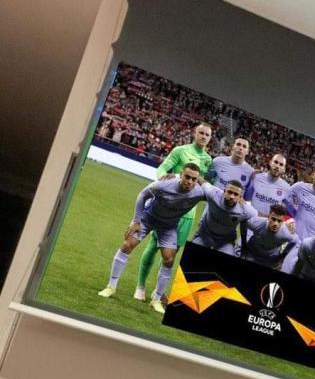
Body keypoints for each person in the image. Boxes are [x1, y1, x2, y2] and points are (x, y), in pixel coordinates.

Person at [98, 163, 205, 314]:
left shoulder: (199, 192)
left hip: (168, 226)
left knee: (169, 259)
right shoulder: (164, 184)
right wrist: (136, 221)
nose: (190, 181)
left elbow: (219, 196)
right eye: (187, 177)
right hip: (148, 218)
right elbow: (142, 195)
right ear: (181, 174)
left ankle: (156, 300)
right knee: (127, 245)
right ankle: (111, 287)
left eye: (194, 179)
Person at [133, 122, 213, 301]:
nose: (203, 137)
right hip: (168, 209)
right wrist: (166, 179)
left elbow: (207, 184)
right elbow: (162, 168)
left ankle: (158, 292)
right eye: (201, 133)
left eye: (207, 135)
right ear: (195, 133)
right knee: (153, 246)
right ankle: (140, 286)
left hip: (188, 214)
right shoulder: (180, 150)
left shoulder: (209, 160)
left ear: (210, 138)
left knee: (170, 256)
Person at [192, 179, 257, 254]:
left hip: (225, 241)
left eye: (236, 194)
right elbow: (201, 181)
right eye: (229, 192)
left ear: (240, 197)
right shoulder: (213, 194)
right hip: (204, 235)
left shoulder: (245, 209)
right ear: (224, 191)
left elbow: (260, 220)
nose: (232, 196)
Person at [243, 204, 298, 269]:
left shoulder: (286, 234)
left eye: (279, 221)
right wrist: (243, 243)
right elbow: (243, 222)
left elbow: (295, 241)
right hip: (252, 253)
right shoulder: (257, 223)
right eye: (273, 219)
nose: (275, 224)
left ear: (283, 221)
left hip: (270, 259)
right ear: (268, 217)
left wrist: (282, 257)